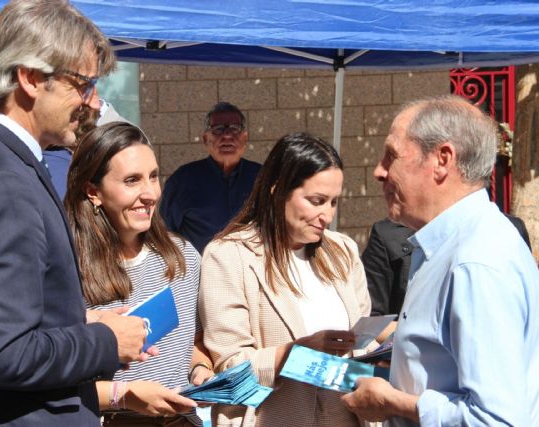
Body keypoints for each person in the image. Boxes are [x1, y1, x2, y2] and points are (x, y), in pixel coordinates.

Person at [0, 1, 152, 425]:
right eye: (82, 83)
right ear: (29, 78)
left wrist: (73, 318)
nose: (90, 100)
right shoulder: (0, 183)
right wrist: (104, 340)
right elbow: (8, 354)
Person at [341, 95, 539, 426]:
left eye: (391, 155)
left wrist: (395, 402)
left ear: (442, 160)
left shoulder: (476, 262)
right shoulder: (452, 244)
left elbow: (497, 420)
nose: (379, 171)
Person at [199, 132, 372, 427]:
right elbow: (230, 371)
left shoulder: (343, 251)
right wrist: (295, 354)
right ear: (277, 192)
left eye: (333, 202)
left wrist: (375, 361)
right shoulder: (229, 256)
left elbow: (361, 347)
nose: (327, 215)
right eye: (316, 201)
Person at [64, 122, 214, 426]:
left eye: (154, 177)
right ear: (94, 192)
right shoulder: (67, 270)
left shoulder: (183, 256)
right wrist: (125, 394)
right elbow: (53, 381)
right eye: (132, 180)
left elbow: (194, 344)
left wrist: (202, 371)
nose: (150, 193)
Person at [363, 214, 532, 316]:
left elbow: (528, 304)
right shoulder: (387, 234)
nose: (381, 172)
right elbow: (371, 316)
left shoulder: (509, 228)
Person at [160, 102, 261, 253]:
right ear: (206, 139)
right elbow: (165, 235)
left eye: (234, 129)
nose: (227, 135)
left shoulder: (262, 177)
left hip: (253, 272)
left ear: (245, 138)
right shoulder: (182, 180)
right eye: (218, 129)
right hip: (201, 274)